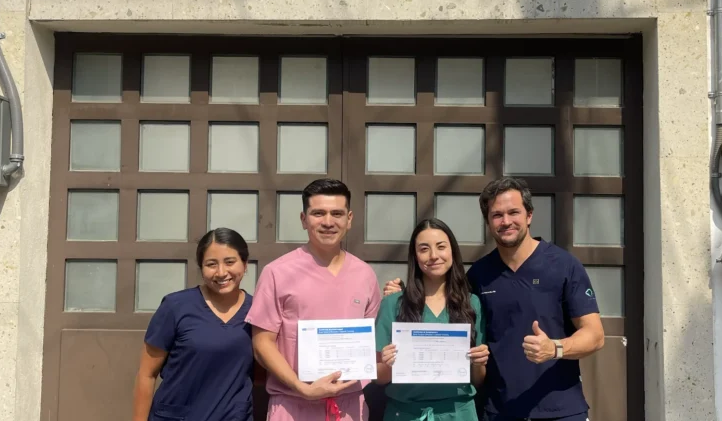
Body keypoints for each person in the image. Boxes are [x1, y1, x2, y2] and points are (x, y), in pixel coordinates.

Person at [384, 177, 605, 421]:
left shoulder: (564, 265)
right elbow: (440, 297)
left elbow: (595, 335)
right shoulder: (479, 274)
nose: (506, 221)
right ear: (488, 221)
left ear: (529, 215)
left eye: (513, 212)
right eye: (497, 215)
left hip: (560, 408)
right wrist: (404, 291)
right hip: (499, 410)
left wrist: (555, 348)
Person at [246, 178, 381, 421]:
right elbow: (262, 343)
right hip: (293, 404)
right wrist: (303, 388)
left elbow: (373, 342)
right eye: (318, 213)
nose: (328, 222)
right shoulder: (277, 272)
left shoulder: (365, 275)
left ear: (349, 219)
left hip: (350, 406)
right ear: (303, 219)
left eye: (337, 213)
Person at [132, 227, 255, 421]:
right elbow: (147, 374)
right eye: (211, 264)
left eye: (230, 262)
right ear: (201, 267)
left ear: (245, 264)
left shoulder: (257, 311)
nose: (221, 272)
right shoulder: (176, 307)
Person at [375, 218, 490, 421]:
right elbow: (380, 377)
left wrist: (479, 362)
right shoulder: (393, 304)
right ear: (415, 256)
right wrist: (388, 362)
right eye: (424, 249)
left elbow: (477, 379)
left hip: (459, 413)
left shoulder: (471, 303)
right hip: (404, 413)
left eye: (441, 247)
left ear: (452, 251)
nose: (433, 256)